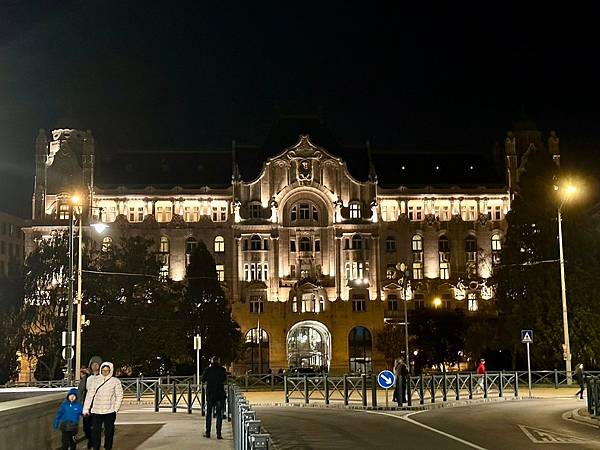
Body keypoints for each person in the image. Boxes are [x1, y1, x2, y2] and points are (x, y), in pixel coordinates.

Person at [83, 362, 123, 450]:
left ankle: (108, 447)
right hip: (96, 411)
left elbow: (119, 395)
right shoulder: (95, 380)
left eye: (107, 371)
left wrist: (115, 408)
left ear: (110, 371)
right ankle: (96, 447)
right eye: (103, 370)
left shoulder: (115, 381)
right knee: (95, 432)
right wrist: (86, 409)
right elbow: (90, 395)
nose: (105, 372)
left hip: (109, 411)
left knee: (109, 432)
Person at [202, 356, 227, 439]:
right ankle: (218, 433)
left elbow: (203, 379)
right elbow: (224, 379)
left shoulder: (208, 370)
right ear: (219, 361)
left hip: (210, 395)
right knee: (219, 414)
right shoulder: (222, 370)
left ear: (211, 362)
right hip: (220, 395)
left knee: (208, 414)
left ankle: (208, 432)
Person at [81, 356, 103, 449]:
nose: (95, 366)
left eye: (97, 364)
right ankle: (90, 439)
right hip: (88, 406)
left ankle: (95, 444)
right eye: (93, 364)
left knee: (96, 427)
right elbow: (80, 390)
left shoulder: (103, 378)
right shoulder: (87, 378)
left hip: (98, 406)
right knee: (86, 427)